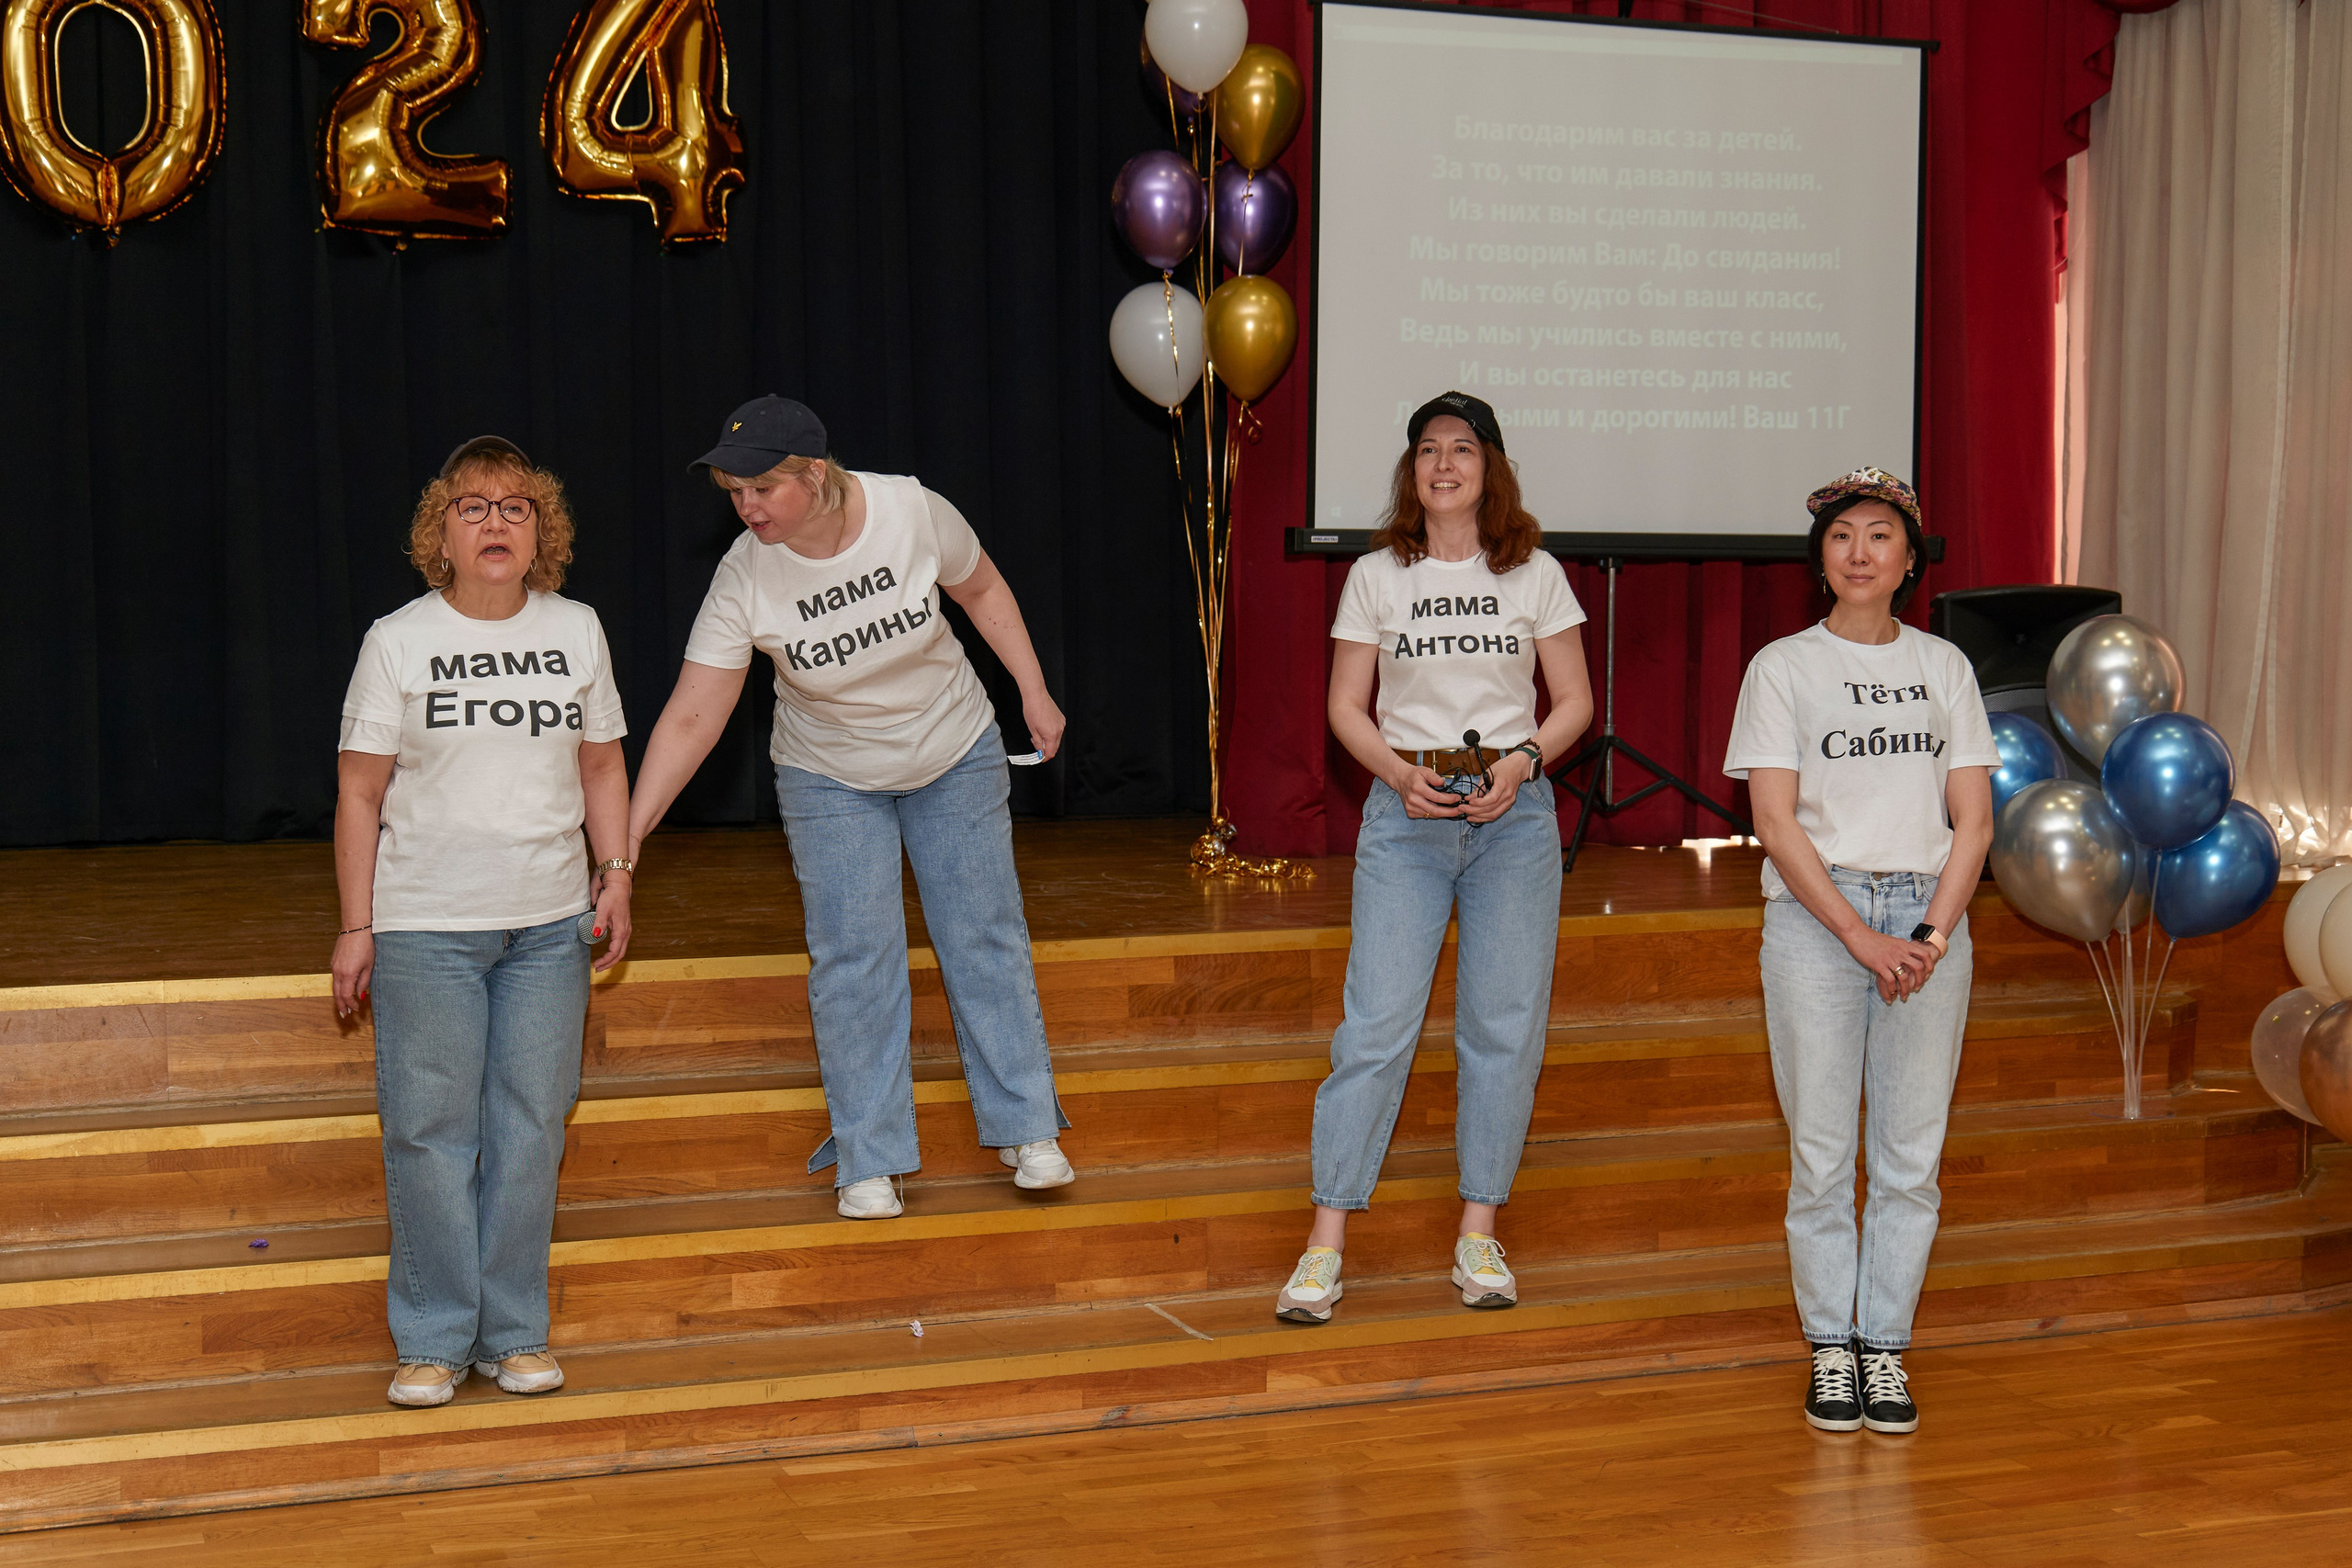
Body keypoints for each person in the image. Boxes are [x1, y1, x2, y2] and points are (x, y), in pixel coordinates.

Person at [625, 395, 1073, 1220]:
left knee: (984, 933)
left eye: (762, 488)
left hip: (952, 748)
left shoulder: (912, 510)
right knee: (854, 958)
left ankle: (1028, 1128)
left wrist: (1033, 690)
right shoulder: (744, 575)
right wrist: (628, 834)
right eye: (734, 492)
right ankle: (870, 1155)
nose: (746, 507)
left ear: (814, 473)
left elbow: (982, 588)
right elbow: (692, 715)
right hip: (828, 774)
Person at [1272, 390, 1593, 1325]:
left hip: (1513, 818)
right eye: (1427, 450)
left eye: (1461, 449)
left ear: (1491, 469)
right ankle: (1325, 1242)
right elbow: (1345, 707)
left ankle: (1478, 1230)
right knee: (1374, 1028)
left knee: (1504, 1027)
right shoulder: (1377, 575)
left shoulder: (1534, 573)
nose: (1443, 464)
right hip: (1405, 811)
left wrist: (1522, 762)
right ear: (1411, 471)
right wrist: (1396, 774)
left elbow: (1574, 702)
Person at [331, 436, 634, 1409]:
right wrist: (356, 925)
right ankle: (431, 1338)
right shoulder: (397, 640)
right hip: (427, 927)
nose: (495, 522)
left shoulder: (578, 629)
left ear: (541, 530)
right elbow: (359, 793)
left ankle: (513, 1333)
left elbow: (601, 765)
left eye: (514, 506)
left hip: (549, 927)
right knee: (430, 1133)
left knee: (531, 1128)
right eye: (473, 507)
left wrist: (616, 871)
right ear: (442, 533)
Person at [1721, 467, 1998, 1437]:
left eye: (1879, 535)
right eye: (1841, 537)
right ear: (1821, 558)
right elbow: (1773, 818)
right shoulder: (1782, 667)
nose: (1859, 553)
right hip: (1817, 918)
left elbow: (1973, 822)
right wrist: (1856, 933)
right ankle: (1829, 1349)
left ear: (1909, 558)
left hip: (1928, 919)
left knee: (1910, 1154)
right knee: (1822, 1153)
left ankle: (1883, 1346)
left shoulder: (1945, 667)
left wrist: (1928, 935)